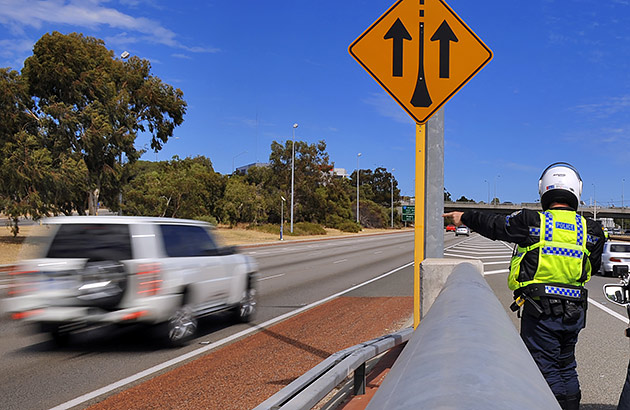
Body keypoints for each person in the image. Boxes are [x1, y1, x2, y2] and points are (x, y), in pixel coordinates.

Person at [443, 162, 604, 410]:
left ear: (544, 190)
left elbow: (494, 225)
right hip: (575, 310)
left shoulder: (533, 221)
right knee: (566, 366)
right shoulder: (590, 229)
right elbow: (591, 267)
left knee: (544, 367)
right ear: (576, 191)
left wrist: (464, 216)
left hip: (540, 310)